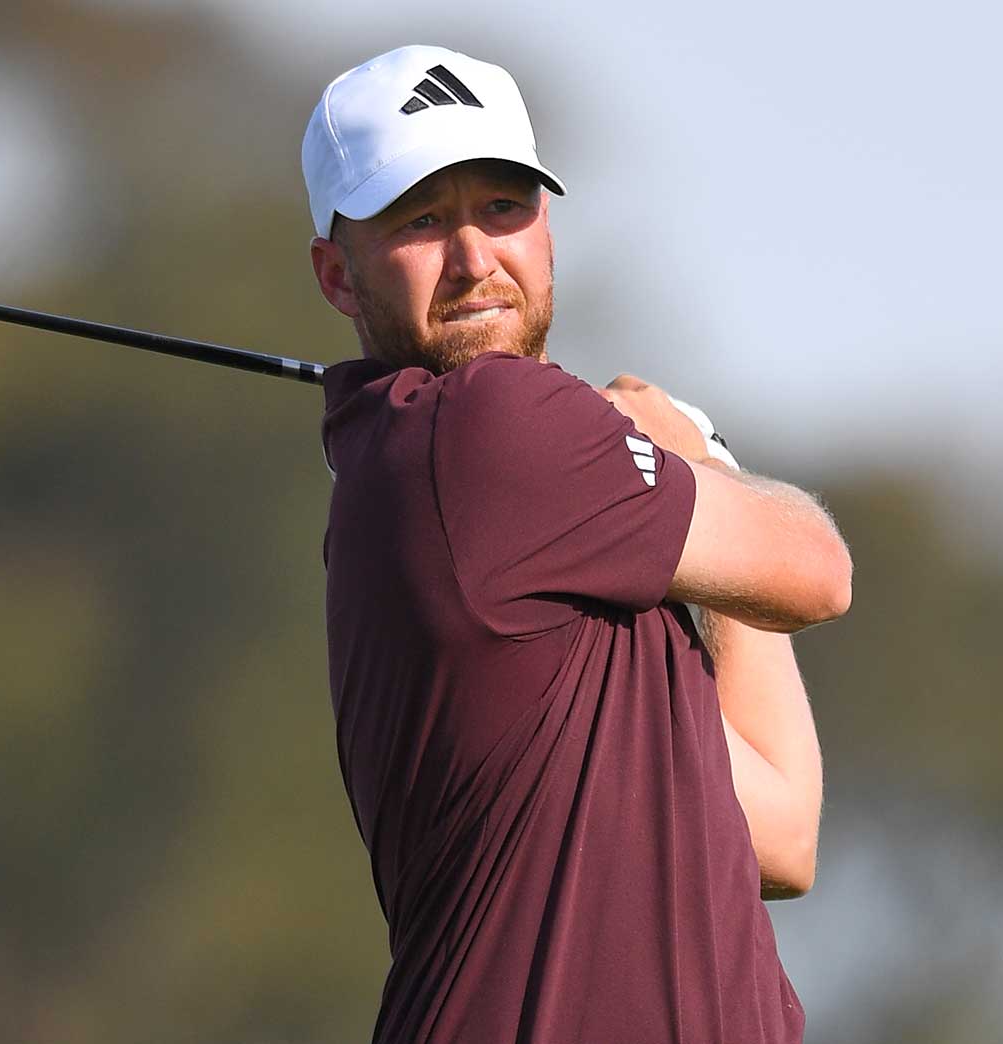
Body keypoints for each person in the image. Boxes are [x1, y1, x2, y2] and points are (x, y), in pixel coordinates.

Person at [303, 45, 853, 1043]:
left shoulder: (525, 512)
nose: (474, 258)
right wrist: (695, 457)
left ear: (547, 227)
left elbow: (777, 835)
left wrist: (683, 484)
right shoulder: (486, 427)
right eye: (421, 221)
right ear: (337, 275)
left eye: (502, 209)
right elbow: (817, 574)